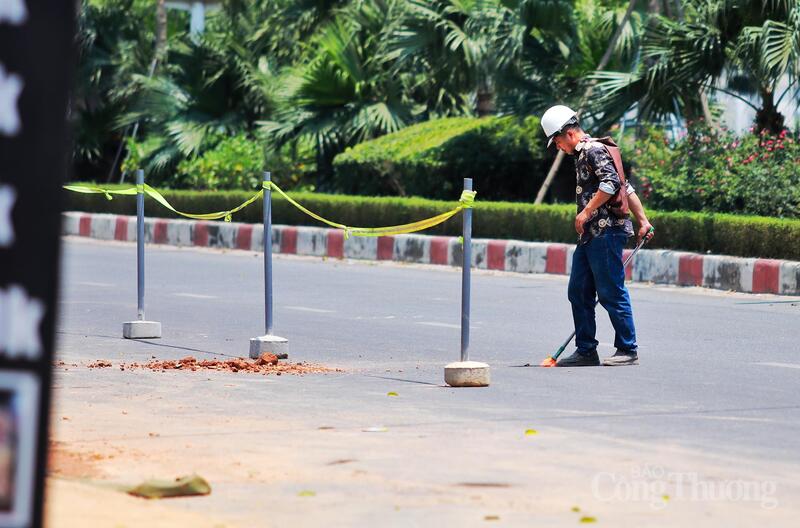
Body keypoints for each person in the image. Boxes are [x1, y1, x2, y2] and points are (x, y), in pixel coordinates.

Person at [540, 105, 654, 367]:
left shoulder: (593, 150)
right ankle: (586, 350)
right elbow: (626, 187)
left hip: (606, 232)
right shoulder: (584, 153)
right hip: (591, 235)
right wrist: (643, 221)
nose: (558, 147)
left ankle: (627, 349)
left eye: (557, 141)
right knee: (578, 291)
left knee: (611, 291)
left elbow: (612, 184)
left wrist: (586, 211)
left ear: (569, 133)